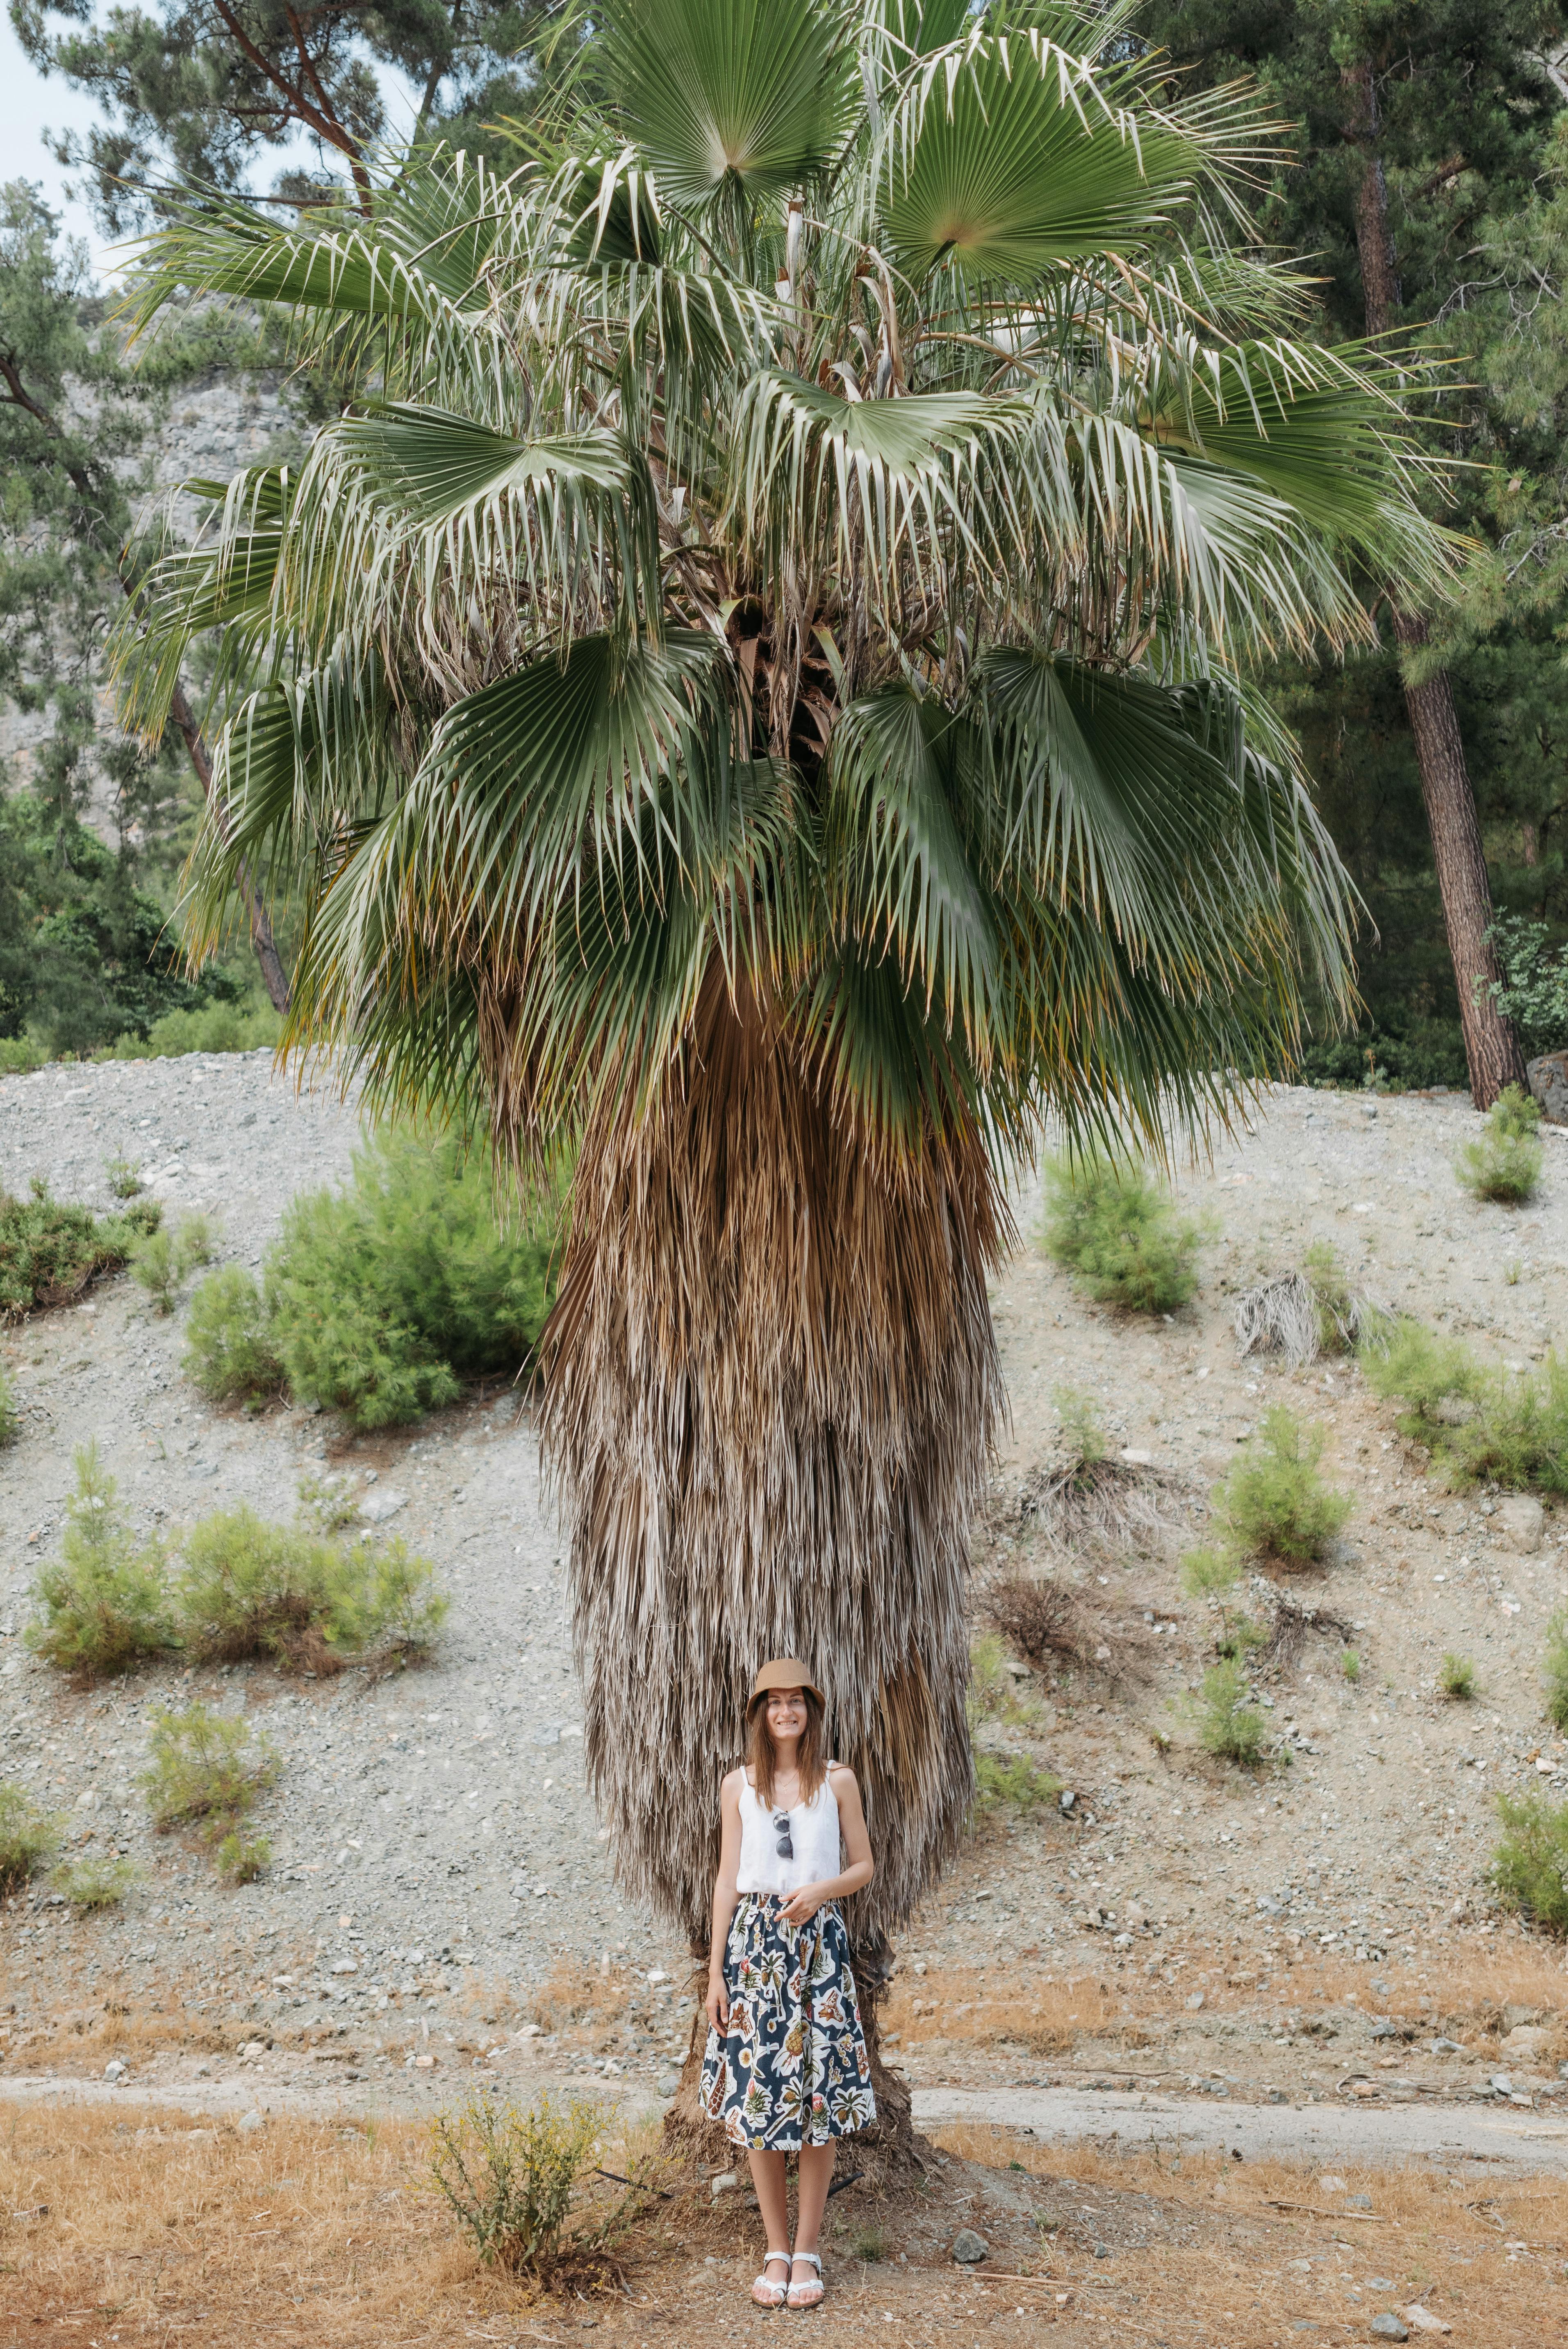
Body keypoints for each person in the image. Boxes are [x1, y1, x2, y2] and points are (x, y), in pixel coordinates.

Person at [701, 1658, 876, 2310]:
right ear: (759, 1713)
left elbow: (863, 1864)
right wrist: (715, 1972)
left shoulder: (837, 1781)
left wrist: (820, 1891)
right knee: (759, 2101)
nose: (785, 1712)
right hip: (753, 1951)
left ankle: (807, 2249)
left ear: (810, 1710)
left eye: (795, 1701)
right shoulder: (736, 1785)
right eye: (773, 1702)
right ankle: (774, 2247)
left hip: (817, 1948)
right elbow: (726, 1879)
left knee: (816, 2101)